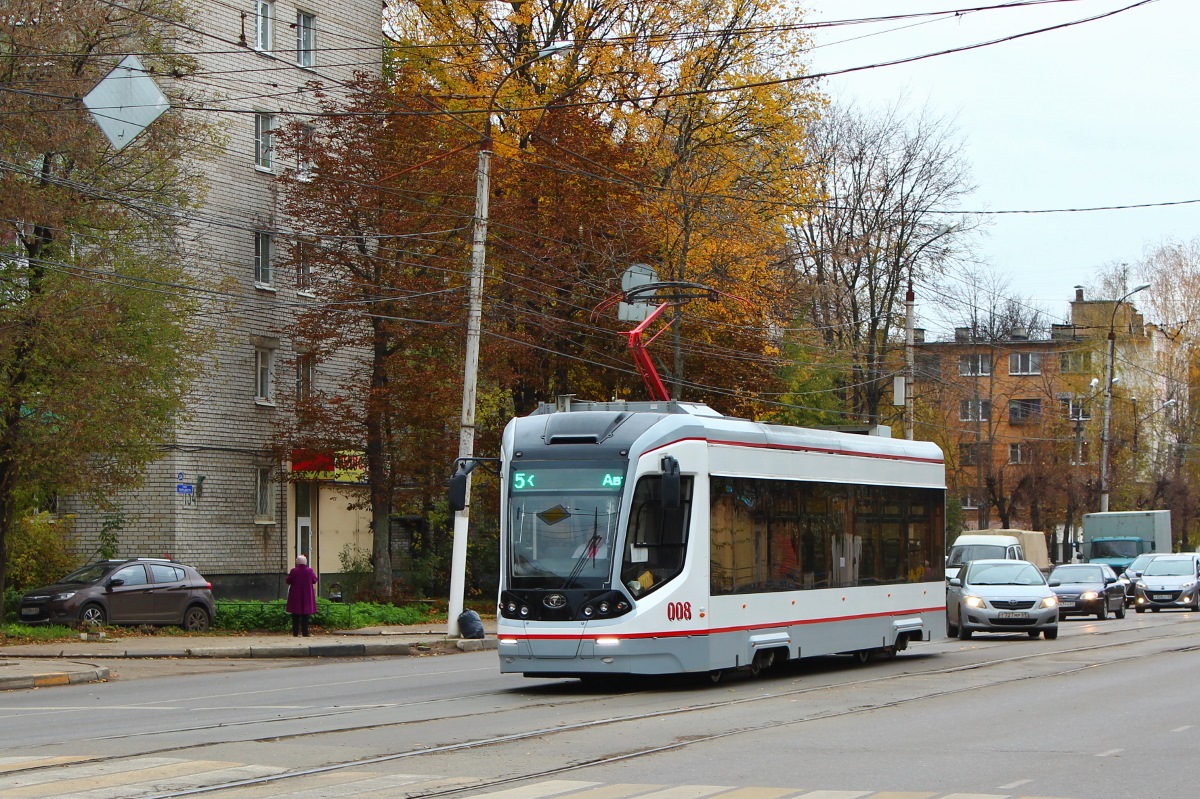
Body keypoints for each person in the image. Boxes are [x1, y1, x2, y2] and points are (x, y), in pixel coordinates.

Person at [285, 554, 318, 637]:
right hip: (307, 595)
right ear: (305, 562)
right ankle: (305, 633)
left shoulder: (294, 571)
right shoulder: (310, 571)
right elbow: (314, 580)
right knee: (305, 615)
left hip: (295, 595)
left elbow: (288, 581)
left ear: (297, 562)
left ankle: (295, 633)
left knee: (295, 615)